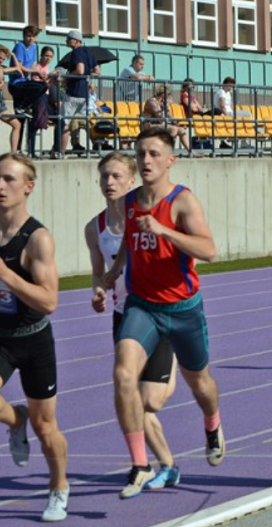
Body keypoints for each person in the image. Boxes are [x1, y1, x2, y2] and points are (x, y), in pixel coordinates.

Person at [102, 126, 224, 498]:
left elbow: (209, 250)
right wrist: (111, 273)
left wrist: (164, 231)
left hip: (183, 308)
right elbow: (127, 242)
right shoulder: (129, 201)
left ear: (171, 160)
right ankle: (140, 464)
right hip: (142, 306)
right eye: (141, 154)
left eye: (154, 154)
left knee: (200, 384)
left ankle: (212, 423)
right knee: (123, 373)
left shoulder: (182, 201)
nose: (146, 160)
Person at [0, 154, 69, 522]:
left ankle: (58, 488)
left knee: (46, 427)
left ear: (28, 186)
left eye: (8, 179)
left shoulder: (38, 240)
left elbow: (50, 301)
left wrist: (8, 277)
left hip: (33, 338)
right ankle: (14, 419)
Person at [85, 153, 181, 492]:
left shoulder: (146, 218)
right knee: (134, 400)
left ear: (131, 182)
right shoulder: (94, 228)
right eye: (104, 177)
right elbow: (99, 272)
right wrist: (98, 292)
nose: (109, 183)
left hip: (160, 314)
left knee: (149, 401)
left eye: (116, 176)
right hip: (123, 318)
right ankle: (167, 465)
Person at [59, 30, 99, 158]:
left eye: (68, 39)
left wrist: (66, 76)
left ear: (75, 41)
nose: (66, 41)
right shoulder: (89, 53)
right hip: (84, 94)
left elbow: (80, 70)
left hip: (74, 92)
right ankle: (91, 147)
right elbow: (97, 71)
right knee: (82, 121)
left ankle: (61, 153)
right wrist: (88, 76)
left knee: (64, 123)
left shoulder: (76, 52)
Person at [143, 84, 192, 154]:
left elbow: (169, 116)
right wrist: (167, 105)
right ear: (164, 95)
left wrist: (176, 123)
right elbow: (161, 118)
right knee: (173, 129)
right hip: (149, 125)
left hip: (159, 124)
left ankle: (190, 151)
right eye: (169, 95)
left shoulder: (162, 102)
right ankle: (168, 152)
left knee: (181, 130)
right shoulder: (152, 102)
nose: (170, 97)